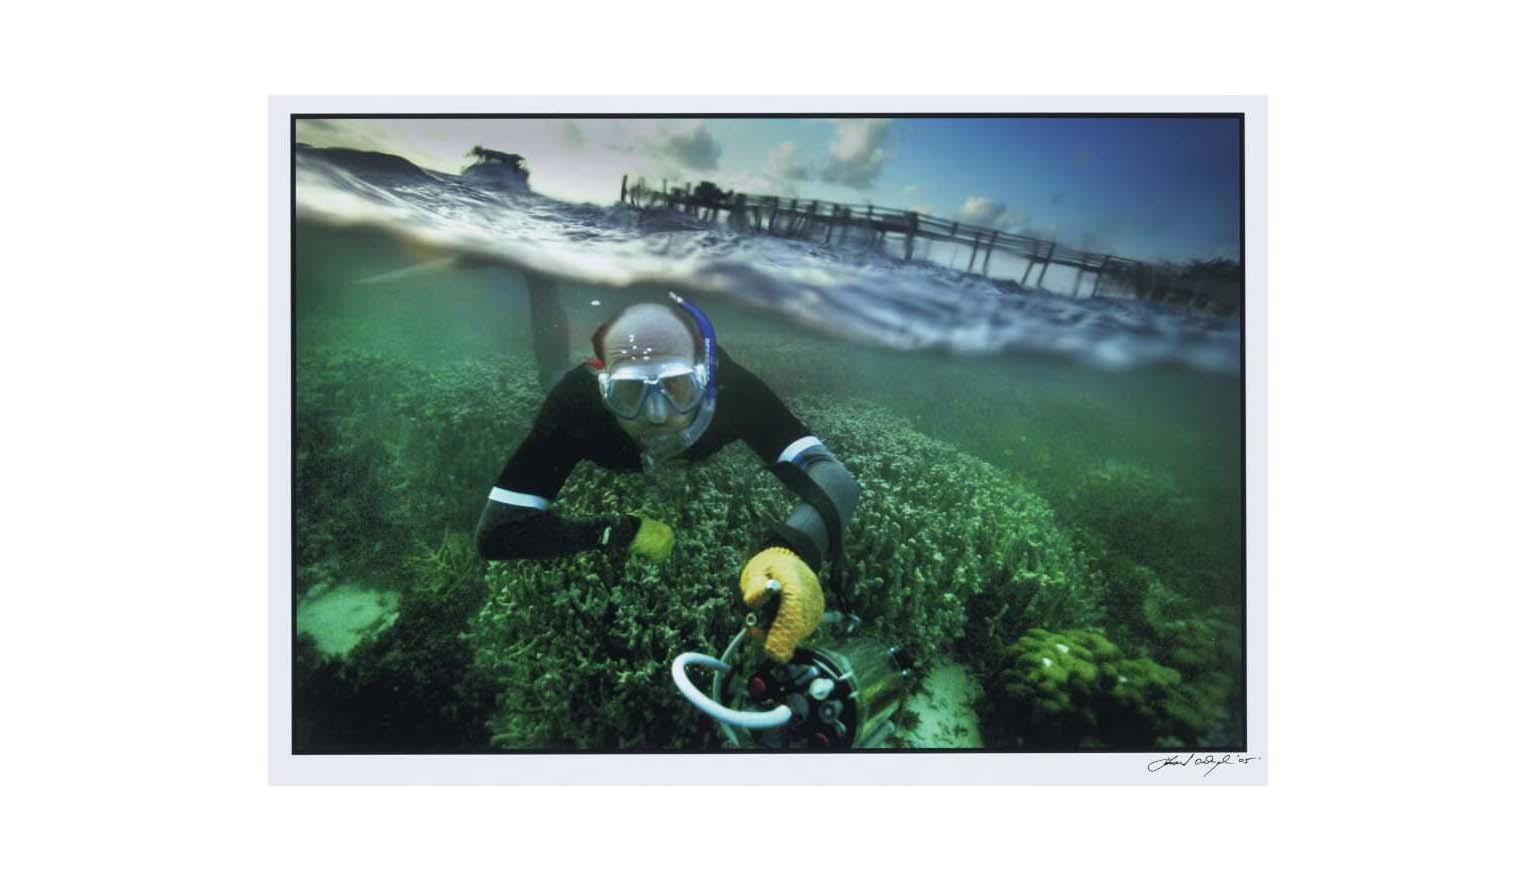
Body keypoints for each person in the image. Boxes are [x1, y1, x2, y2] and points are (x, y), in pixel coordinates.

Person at [475, 292, 858, 662]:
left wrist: (791, 550)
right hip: (574, 387)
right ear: (601, 383)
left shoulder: (733, 389)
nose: (657, 415)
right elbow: (497, 533)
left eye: (677, 387)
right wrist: (619, 531)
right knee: (552, 374)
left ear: (705, 377)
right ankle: (540, 288)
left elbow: (833, 476)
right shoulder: (576, 403)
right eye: (629, 393)